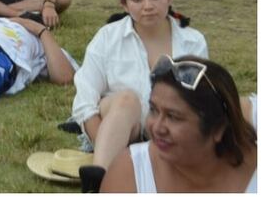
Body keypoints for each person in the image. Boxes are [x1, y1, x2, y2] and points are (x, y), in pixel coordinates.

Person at [69, 0, 208, 191]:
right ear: (124, 4)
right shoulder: (108, 37)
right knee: (127, 99)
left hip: (170, 132)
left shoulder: (193, 41)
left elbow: (202, 100)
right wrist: (102, 143)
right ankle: (98, 179)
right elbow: (85, 99)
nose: (148, 6)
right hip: (119, 127)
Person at [101, 56, 257, 193]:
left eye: (173, 117)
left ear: (218, 128)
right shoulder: (130, 173)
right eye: (154, 110)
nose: (157, 128)